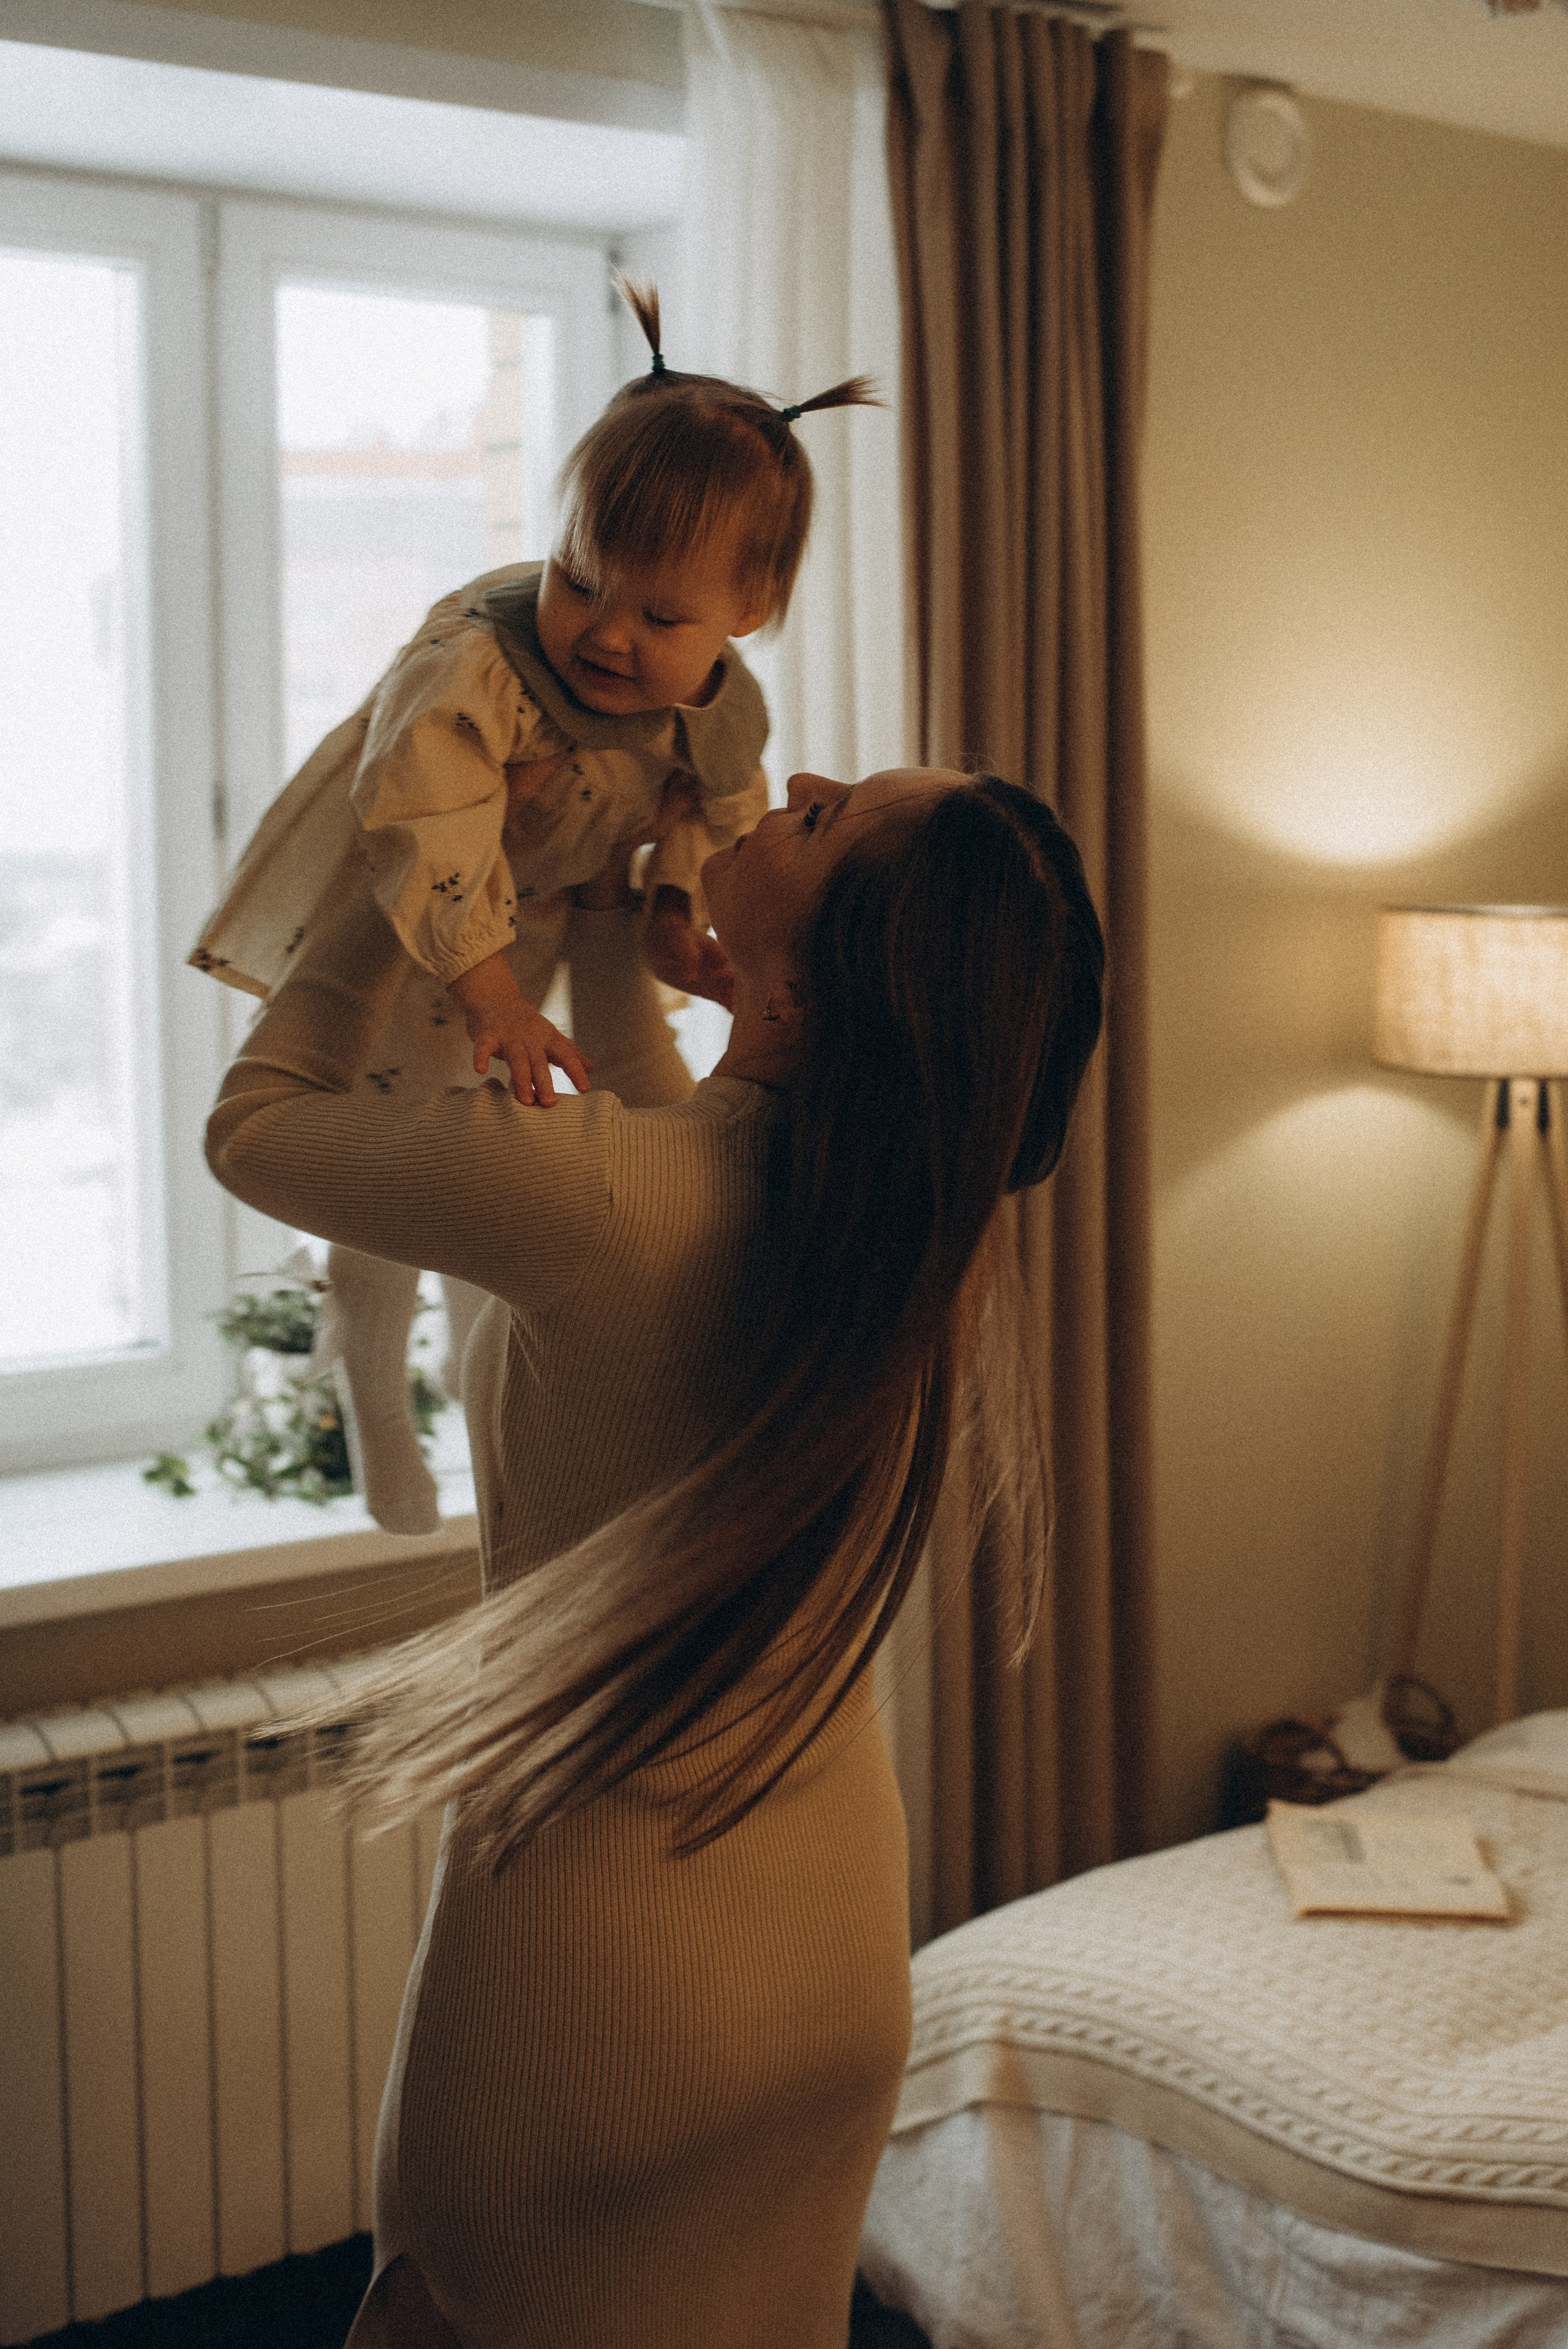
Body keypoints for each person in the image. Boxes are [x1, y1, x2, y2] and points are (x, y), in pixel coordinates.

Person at [205, 761, 1106, 2349]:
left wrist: (390, 872)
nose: (804, 775)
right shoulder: (907, 1228)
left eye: (830, 818)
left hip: (592, 1983)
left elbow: (254, 1124)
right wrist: (700, 958)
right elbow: (691, 1119)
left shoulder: (606, 1196)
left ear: (828, 987)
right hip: (825, 1968)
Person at [191, 280, 875, 1533]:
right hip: (417, 916)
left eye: (659, 614)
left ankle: (458, 1375)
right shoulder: (481, 662)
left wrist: (678, 921)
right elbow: (431, 817)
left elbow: (705, 821)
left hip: (556, 910)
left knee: (507, 1134)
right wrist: (484, 983)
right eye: (578, 580)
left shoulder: (722, 707)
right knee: (393, 1128)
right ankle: (371, 1385)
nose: (604, 635)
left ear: (750, 611)